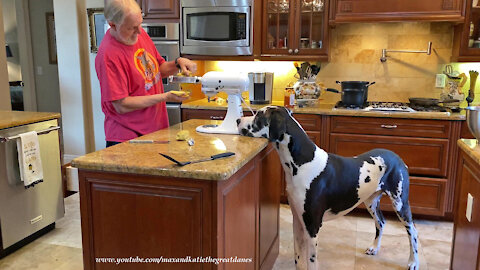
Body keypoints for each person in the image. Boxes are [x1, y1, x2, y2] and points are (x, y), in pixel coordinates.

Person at [96, 0, 197, 147]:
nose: (139, 31)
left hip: (155, 131)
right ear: (112, 25)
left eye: (140, 24)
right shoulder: (108, 55)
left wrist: (177, 63)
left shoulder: (139, 34)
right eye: (132, 28)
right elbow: (121, 105)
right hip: (127, 138)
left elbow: (156, 70)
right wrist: (166, 97)